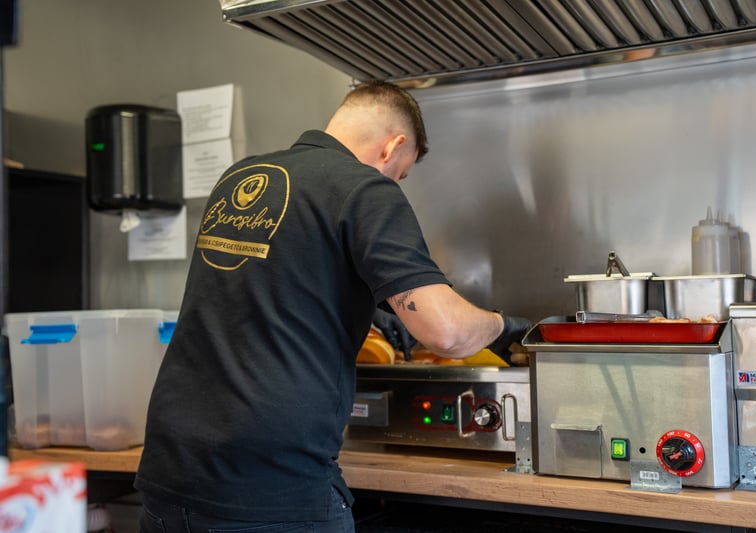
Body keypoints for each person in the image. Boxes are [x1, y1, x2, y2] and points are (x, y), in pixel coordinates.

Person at [135, 81, 532, 532]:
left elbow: (266, 287)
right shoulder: (364, 187)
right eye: (401, 174)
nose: (395, 183)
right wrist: (506, 327)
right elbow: (446, 332)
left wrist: (369, 305)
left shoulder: (242, 177)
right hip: (272, 490)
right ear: (393, 147)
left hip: (170, 477)